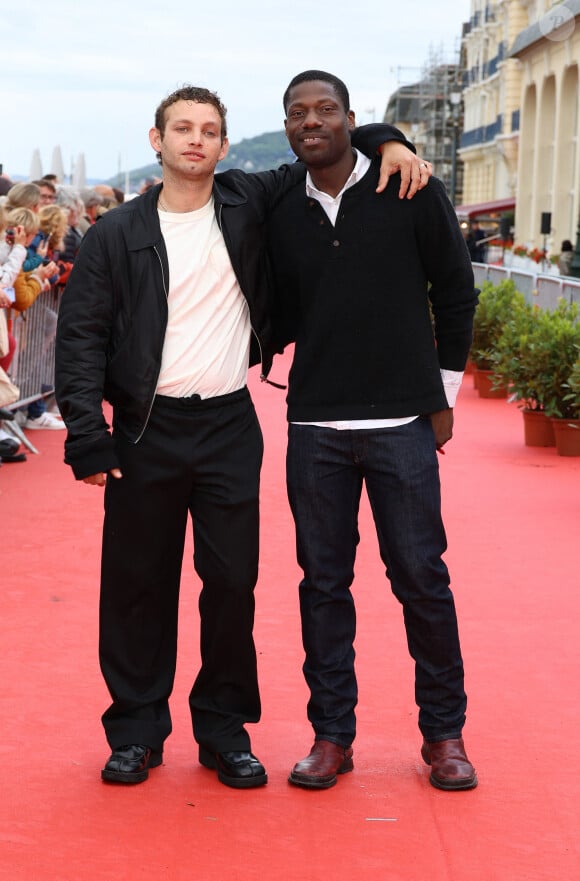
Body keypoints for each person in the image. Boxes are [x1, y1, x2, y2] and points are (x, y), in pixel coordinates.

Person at [55, 84, 432, 789]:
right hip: (144, 427)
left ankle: (224, 729)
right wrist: (87, 434)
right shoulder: (115, 234)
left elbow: (324, 140)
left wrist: (388, 139)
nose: (196, 140)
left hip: (229, 424)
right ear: (156, 140)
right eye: (182, 128)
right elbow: (78, 339)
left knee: (231, 585)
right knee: (138, 586)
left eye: (209, 130)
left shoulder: (247, 201)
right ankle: (136, 728)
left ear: (226, 147)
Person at [267, 70, 479, 792]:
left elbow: (455, 288)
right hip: (315, 425)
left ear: (351, 119)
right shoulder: (275, 202)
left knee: (422, 578)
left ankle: (444, 734)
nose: (311, 121)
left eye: (326, 110)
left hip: (402, 424)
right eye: (298, 113)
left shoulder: (409, 188)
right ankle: (332, 734)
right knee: (322, 585)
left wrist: (443, 391)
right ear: (287, 127)